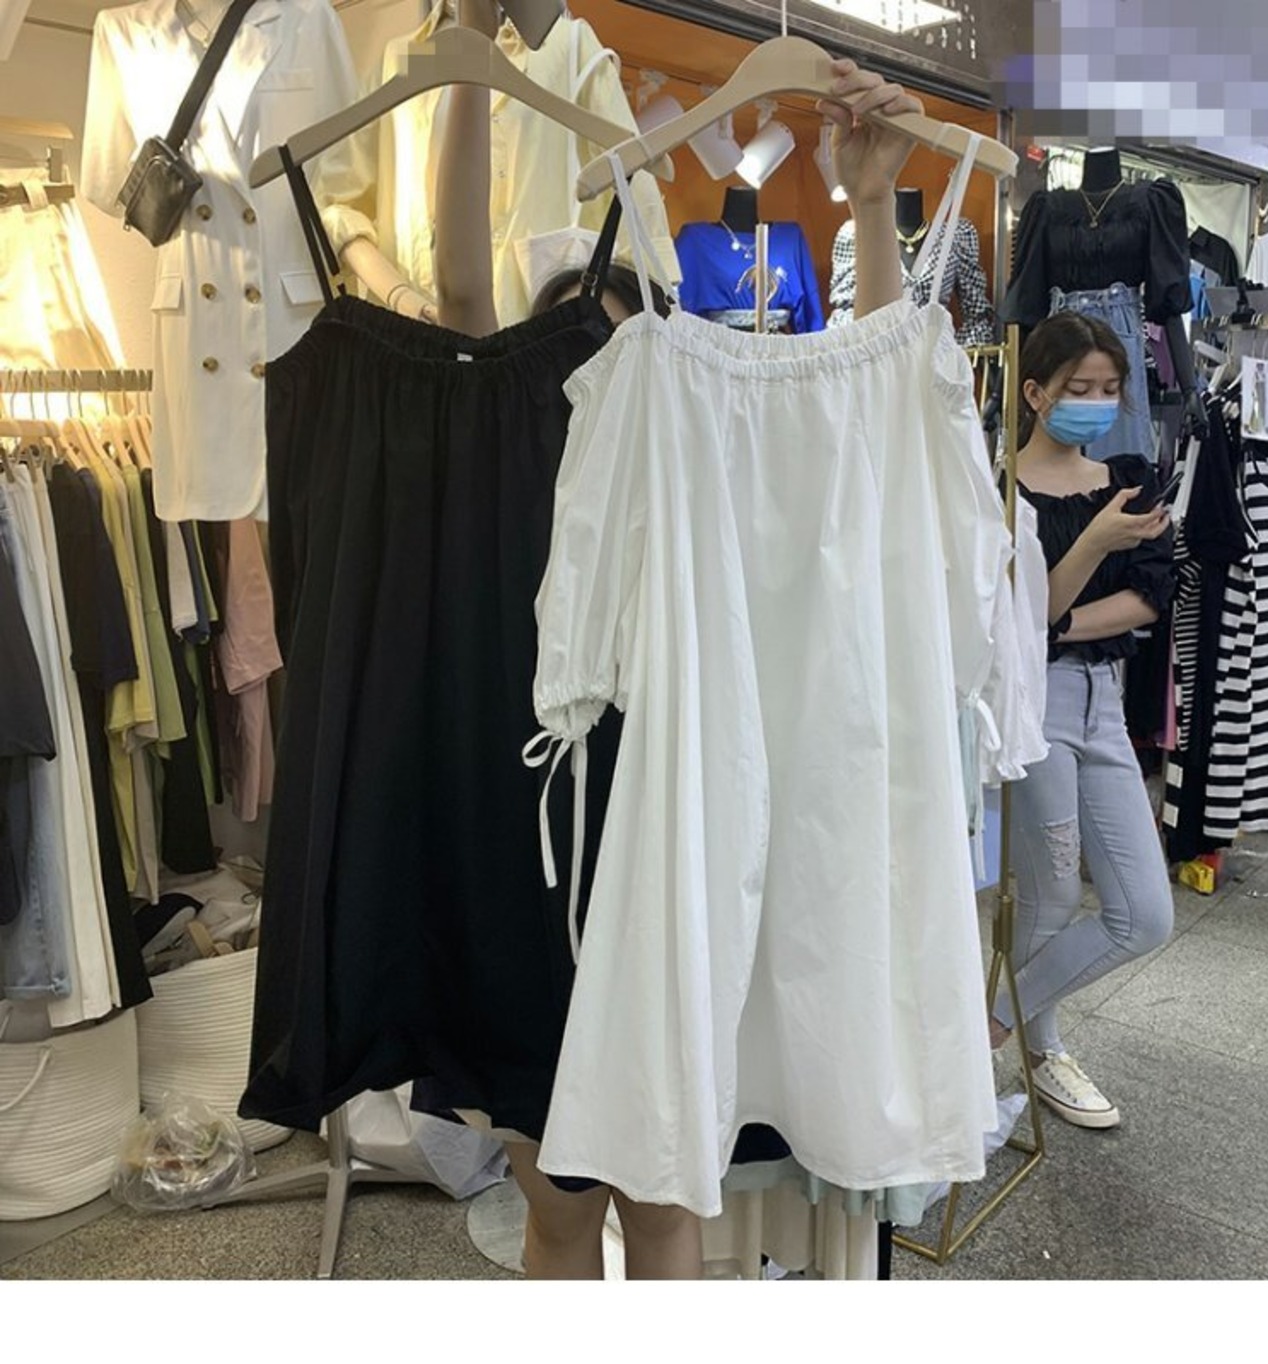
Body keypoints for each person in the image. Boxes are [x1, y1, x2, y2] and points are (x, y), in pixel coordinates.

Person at [430, 0, 925, 1279]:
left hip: (690, 845)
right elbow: (462, 291)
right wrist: (470, 74)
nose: (618, 352)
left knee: (666, 1205)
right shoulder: (512, 431)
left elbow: (859, 404)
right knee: (557, 1206)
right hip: (540, 858)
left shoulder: (705, 430)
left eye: (631, 325)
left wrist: (870, 202)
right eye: (588, 331)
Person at [989, 309, 1176, 1128]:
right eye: (1080, 388)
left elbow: (1152, 597)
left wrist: (1057, 617)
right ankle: (1046, 1050)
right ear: (1034, 392)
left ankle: (991, 1025)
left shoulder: (1126, 476)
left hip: (1107, 704)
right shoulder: (1001, 492)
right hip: (1038, 704)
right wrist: (1095, 545)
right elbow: (1021, 615)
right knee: (1053, 892)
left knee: (1145, 913)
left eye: (1109, 388)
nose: (1097, 403)